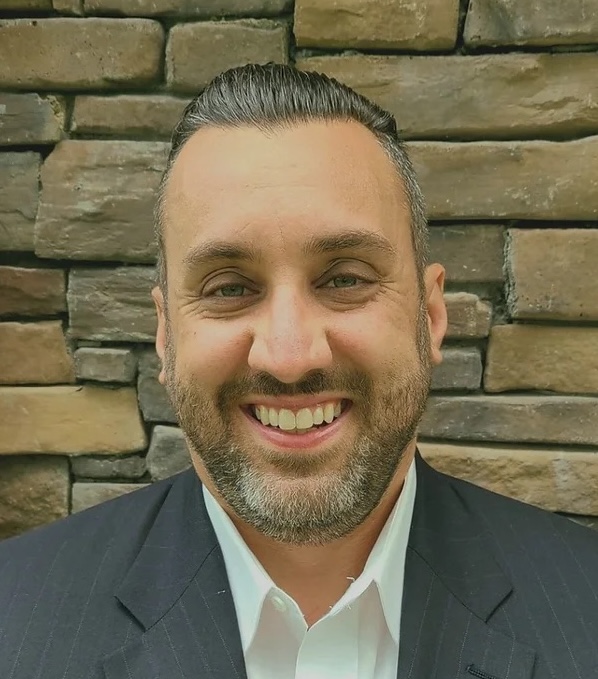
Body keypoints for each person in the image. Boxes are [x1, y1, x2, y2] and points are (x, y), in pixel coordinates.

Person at [1, 63, 597, 679]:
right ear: (166, 334)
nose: (289, 357)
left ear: (430, 315)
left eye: (345, 280)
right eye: (229, 287)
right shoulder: (12, 622)